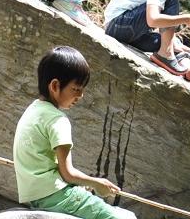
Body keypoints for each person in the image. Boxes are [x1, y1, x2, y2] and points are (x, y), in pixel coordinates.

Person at [13, 46, 137, 219]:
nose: (81, 96)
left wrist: (82, 184)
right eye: (76, 89)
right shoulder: (58, 120)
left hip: (34, 196)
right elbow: (68, 174)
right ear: (55, 86)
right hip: (55, 196)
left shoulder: (32, 110)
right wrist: (97, 184)